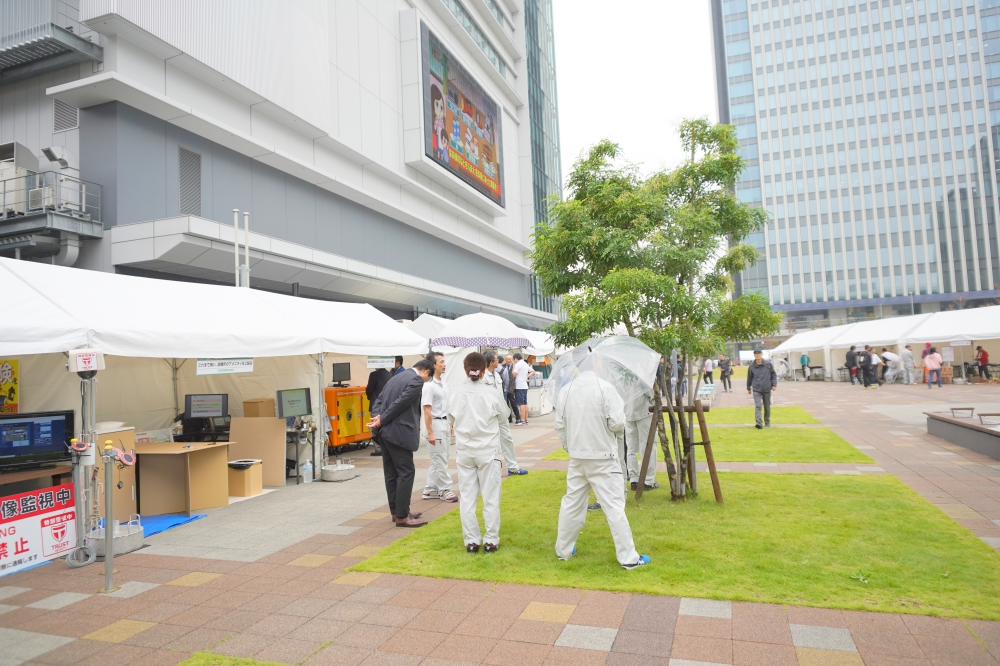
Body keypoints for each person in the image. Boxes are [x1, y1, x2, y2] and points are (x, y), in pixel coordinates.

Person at [554, 370, 650, 570]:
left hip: (578, 456)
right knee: (614, 507)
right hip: (603, 457)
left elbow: (560, 425)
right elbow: (617, 424)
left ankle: (563, 550)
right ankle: (628, 558)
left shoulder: (566, 390)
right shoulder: (605, 388)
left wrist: (569, 446)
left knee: (572, 503)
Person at [448, 352, 511, 553]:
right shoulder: (491, 393)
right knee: (491, 498)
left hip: (465, 451)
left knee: (467, 498)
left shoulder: (455, 392)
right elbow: (505, 416)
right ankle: (491, 540)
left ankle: (471, 541)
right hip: (487, 451)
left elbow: (450, 419)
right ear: (484, 369)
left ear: (465, 369)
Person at [367, 358, 436, 527]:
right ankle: (402, 516)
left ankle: (396, 511)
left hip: (385, 433)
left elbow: (378, 401)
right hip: (399, 432)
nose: (425, 381)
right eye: (428, 378)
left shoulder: (396, 377)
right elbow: (401, 403)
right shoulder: (416, 380)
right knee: (406, 472)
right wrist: (381, 418)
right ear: (426, 371)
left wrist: (378, 416)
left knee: (391, 473)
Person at [421, 352, 458, 503]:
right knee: (440, 460)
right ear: (433, 365)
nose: (444, 364)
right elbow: (427, 411)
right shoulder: (428, 386)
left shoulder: (443, 383)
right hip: (435, 425)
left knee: (440, 458)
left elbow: (446, 406)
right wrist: (430, 433)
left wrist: (450, 423)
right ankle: (444, 489)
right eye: (441, 362)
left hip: (443, 423)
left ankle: (430, 489)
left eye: (444, 361)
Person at [484, 352, 527, 476]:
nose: (499, 361)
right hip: (490, 415)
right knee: (491, 442)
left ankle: (513, 467)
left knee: (507, 439)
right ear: (491, 362)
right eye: (496, 359)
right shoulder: (483, 377)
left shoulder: (497, 375)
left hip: (501, 413)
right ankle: (492, 468)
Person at [625, 388, 657, 492]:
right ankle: (648, 480)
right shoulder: (642, 375)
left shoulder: (622, 376)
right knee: (648, 447)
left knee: (631, 449)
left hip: (628, 414)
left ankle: (634, 479)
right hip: (644, 412)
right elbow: (652, 395)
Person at [746, 349, 777, 429]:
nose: (757, 355)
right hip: (756, 388)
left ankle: (767, 422)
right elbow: (749, 377)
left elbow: (773, 374)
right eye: (755, 354)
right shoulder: (752, 366)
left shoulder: (768, 364)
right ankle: (759, 422)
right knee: (758, 405)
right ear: (754, 355)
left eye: (759, 354)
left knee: (767, 406)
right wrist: (748, 387)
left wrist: (774, 384)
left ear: (761, 354)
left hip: (767, 388)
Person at [365, 366, 392, 456]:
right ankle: (387, 447)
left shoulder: (373, 375)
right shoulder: (390, 374)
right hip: (387, 405)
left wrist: (370, 397)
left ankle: (378, 449)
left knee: (375, 426)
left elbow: (369, 390)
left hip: (375, 404)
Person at [511, 353, 535, 425]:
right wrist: (527, 376)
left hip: (519, 385)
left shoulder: (518, 364)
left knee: (521, 403)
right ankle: (526, 419)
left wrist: (513, 368)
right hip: (524, 385)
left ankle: (522, 420)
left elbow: (514, 374)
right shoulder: (525, 363)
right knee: (525, 403)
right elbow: (533, 371)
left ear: (515, 358)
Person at [502, 354, 520, 424]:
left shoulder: (515, 366)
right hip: (505, 388)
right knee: (506, 404)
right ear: (505, 359)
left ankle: (518, 417)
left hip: (512, 387)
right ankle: (509, 418)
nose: (508, 360)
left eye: (510, 359)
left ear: (512, 359)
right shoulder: (503, 367)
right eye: (507, 359)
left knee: (513, 403)